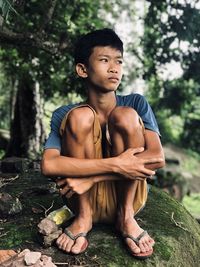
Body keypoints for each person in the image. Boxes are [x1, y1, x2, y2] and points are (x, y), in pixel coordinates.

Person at [41, 28, 165, 259]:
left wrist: (94, 176)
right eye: (104, 60)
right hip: (81, 199)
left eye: (118, 61)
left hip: (125, 195)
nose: (114, 68)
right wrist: (117, 164)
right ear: (82, 69)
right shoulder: (64, 113)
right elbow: (49, 164)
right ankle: (84, 217)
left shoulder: (136, 102)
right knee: (80, 116)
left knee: (125, 116)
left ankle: (126, 217)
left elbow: (156, 158)